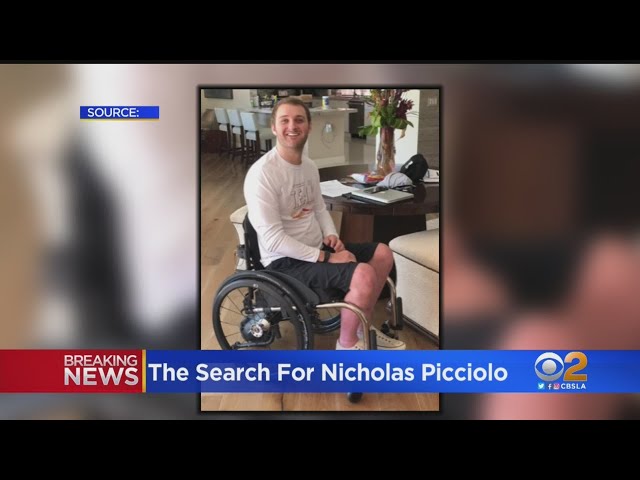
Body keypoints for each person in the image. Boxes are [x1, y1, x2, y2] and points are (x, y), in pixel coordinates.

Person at [243, 97, 405, 350]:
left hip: (315, 248)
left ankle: (361, 327)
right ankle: (347, 346)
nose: (292, 126)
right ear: (274, 127)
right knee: (363, 274)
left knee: (382, 253)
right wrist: (328, 258)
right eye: (284, 121)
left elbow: (319, 208)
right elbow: (273, 240)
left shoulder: (308, 166)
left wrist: (331, 235)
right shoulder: (262, 174)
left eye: (299, 120)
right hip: (284, 262)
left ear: (309, 126)